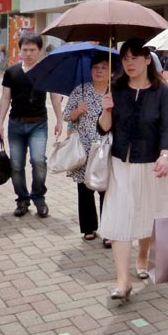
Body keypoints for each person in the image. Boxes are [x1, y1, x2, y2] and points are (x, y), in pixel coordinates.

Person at [98, 38, 168, 299]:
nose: (129, 63)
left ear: (147, 60)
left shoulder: (162, 92)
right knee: (119, 218)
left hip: (153, 165)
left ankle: (143, 255)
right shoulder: (116, 89)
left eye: (134, 57)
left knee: (150, 215)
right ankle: (123, 282)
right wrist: (105, 110)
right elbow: (105, 127)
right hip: (121, 164)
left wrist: (166, 154)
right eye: (125, 58)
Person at [0, 33, 64, 218]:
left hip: (38, 124)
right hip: (15, 124)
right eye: (25, 49)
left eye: (33, 50)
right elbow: (5, 98)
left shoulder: (46, 70)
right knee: (17, 165)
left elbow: (55, 96)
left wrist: (59, 119)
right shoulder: (11, 72)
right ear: (20, 50)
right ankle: (22, 199)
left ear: (40, 50)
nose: (28, 53)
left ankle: (39, 197)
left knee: (38, 161)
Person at [62, 52, 112, 245]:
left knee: (106, 188)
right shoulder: (81, 90)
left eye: (104, 68)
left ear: (111, 72)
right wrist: (77, 111)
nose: (99, 71)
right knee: (84, 188)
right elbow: (67, 116)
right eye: (96, 68)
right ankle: (89, 227)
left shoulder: (114, 91)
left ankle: (109, 229)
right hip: (84, 147)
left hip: (107, 147)